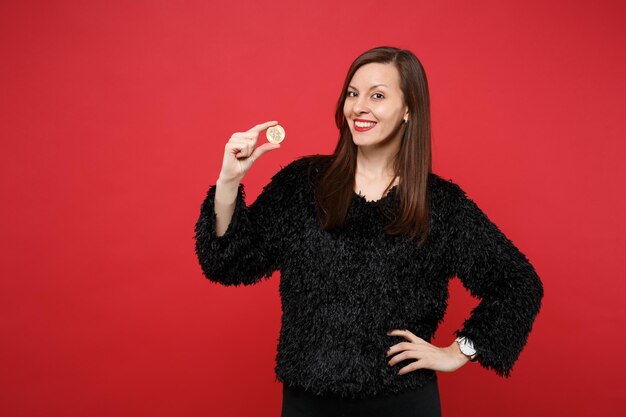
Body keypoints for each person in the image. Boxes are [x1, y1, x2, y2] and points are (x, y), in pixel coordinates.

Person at [194, 46, 544, 417]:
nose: (359, 106)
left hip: (403, 403)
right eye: (352, 93)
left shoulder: (440, 204)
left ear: (408, 109)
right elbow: (226, 263)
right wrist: (229, 181)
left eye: (377, 95)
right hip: (309, 403)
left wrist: (459, 352)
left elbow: (519, 283)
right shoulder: (302, 183)